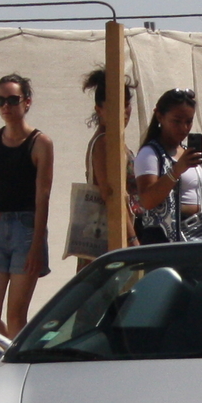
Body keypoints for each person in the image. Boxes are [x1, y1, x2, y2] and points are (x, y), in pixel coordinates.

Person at [0, 73, 54, 337]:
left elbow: (43, 196)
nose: (6, 106)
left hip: (27, 228)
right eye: (0, 100)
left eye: (12, 99)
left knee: (16, 314)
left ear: (27, 102)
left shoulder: (40, 142)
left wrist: (36, 246)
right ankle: (8, 358)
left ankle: (20, 366)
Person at [131, 87, 202, 245]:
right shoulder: (150, 153)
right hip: (164, 240)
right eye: (177, 121)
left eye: (188, 121)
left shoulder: (186, 153)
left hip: (196, 233)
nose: (184, 128)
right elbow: (147, 201)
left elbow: (200, 200)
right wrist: (176, 171)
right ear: (160, 117)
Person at [66, 67, 136, 272]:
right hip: (108, 236)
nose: (123, 112)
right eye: (115, 106)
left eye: (126, 105)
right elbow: (110, 195)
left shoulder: (115, 140)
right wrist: (132, 238)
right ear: (99, 109)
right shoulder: (105, 141)